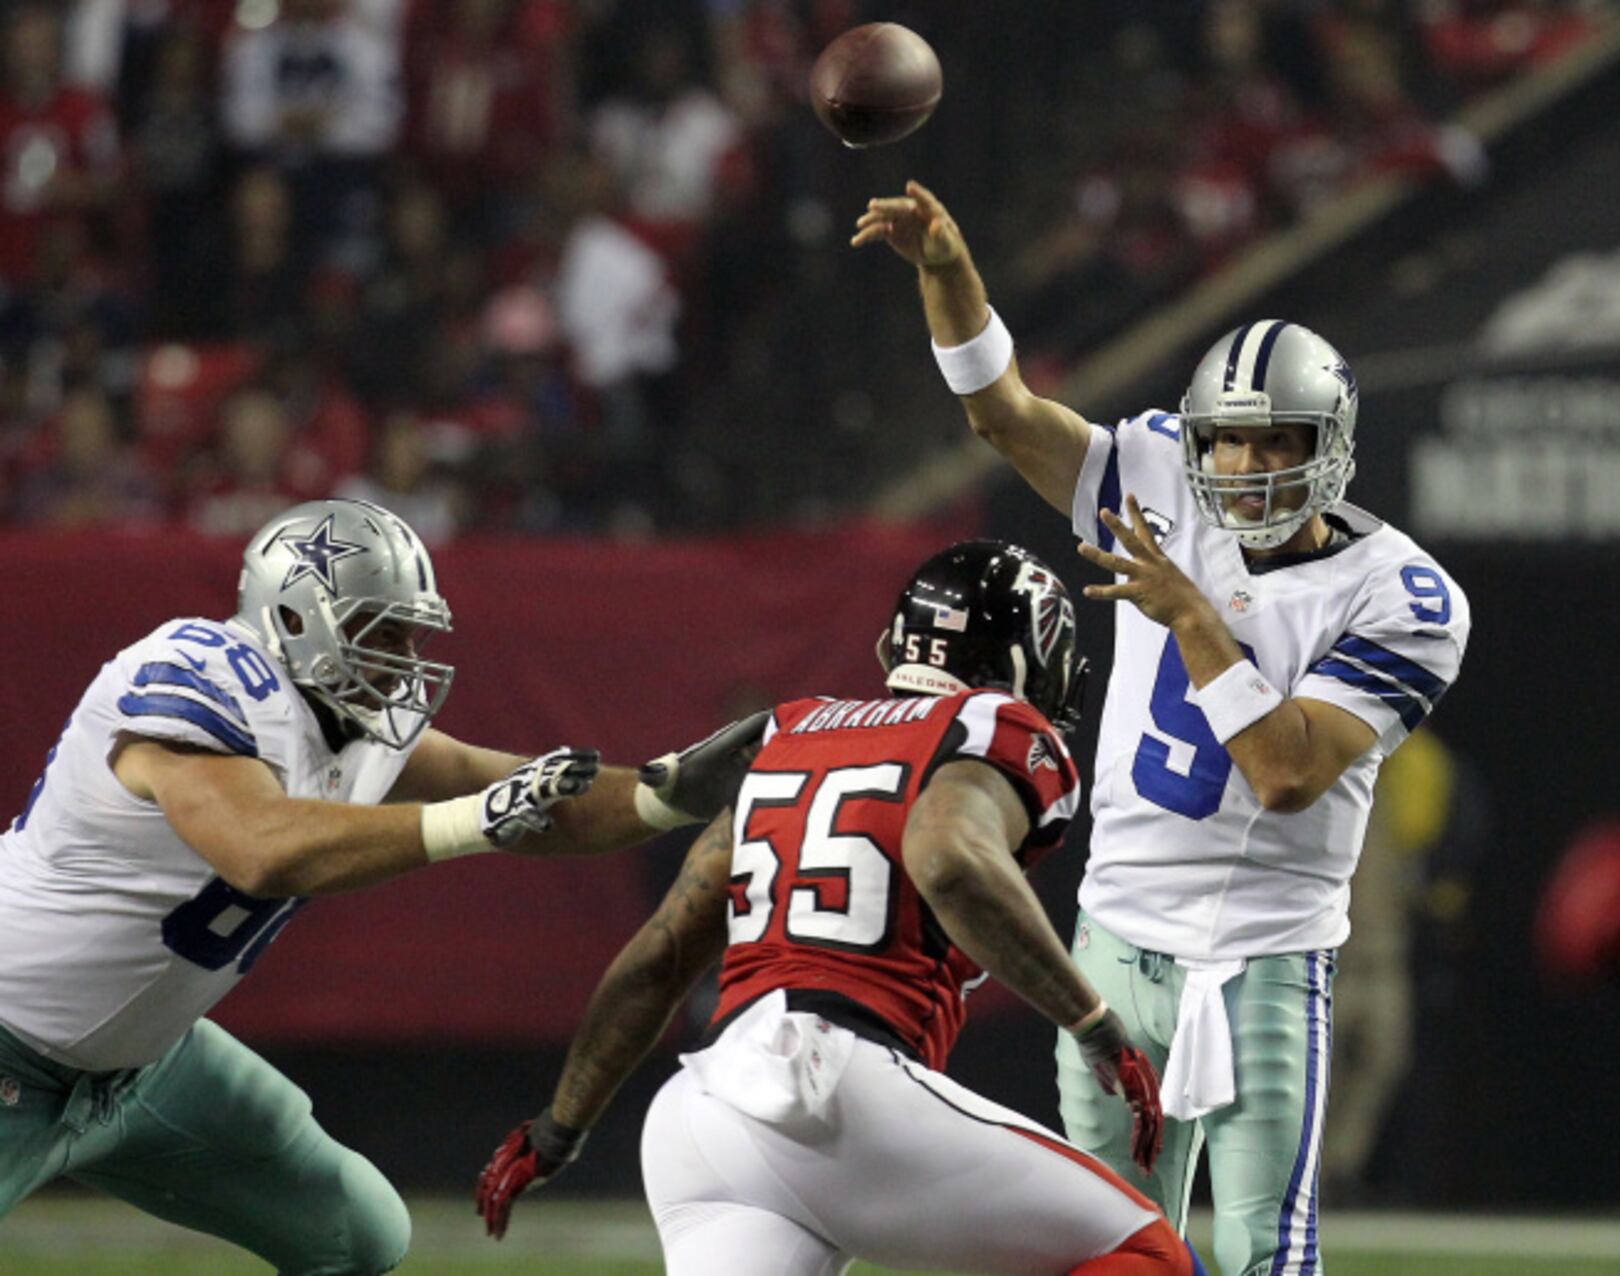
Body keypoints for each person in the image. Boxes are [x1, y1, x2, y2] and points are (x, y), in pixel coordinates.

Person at [853, 184, 1470, 1276]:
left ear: (1330, 446)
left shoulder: (1402, 594)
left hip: (1264, 959)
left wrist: (1190, 611)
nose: (1240, 470)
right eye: (1224, 445)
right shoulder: (1155, 480)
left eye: (1272, 442)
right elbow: (1003, 414)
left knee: (1260, 1257)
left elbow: (1284, 773)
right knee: (1098, 1251)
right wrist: (948, 274)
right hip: (1112, 943)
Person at [0, 498, 763, 1275]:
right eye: (380, 631)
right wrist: (472, 823)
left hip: (145, 1066)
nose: (404, 657)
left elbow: (526, 796)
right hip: (10, 1041)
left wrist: (663, 795)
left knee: (356, 1235)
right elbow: (260, 848)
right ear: (295, 619)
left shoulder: (350, 717)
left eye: (410, 632)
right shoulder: (197, 675)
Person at [477, 540, 1210, 1276]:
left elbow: (659, 958)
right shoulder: (991, 727)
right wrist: (1095, 1027)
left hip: (702, 1116)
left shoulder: (790, 731)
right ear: (1021, 660)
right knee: (1147, 1254)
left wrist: (556, 1132)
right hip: (838, 1088)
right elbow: (949, 860)